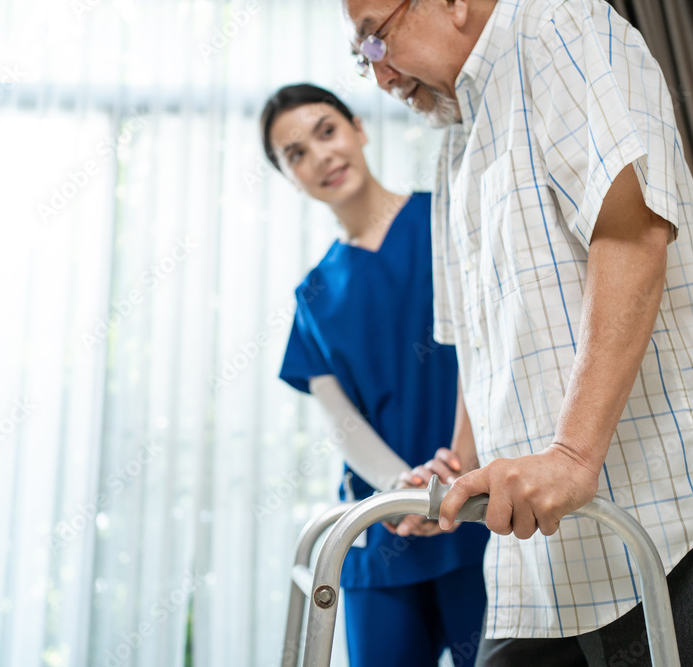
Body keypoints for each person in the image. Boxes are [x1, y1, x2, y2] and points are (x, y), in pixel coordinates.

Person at [338, 1, 693, 665]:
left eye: (376, 43)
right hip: (544, 566)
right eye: (363, 62)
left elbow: (631, 232)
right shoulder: (455, 139)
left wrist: (571, 454)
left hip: (678, 523)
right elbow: (481, 341)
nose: (382, 79)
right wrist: (455, 469)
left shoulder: (559, 26)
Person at [263, 83, 490, 667]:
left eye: (326, 131)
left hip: (480, 509)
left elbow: (487, 343)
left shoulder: (445, 219)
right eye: (296, 154)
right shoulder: (314, 294)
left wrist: (448, 482)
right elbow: (341, 423)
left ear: (359, 129)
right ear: (291, 177)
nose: (320, 157)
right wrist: (402, 493)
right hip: (383, 531)